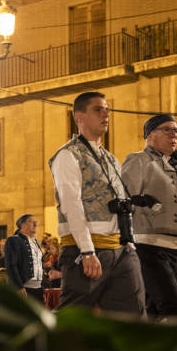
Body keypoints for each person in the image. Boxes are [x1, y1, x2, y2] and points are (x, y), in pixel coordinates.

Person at [48, 91, 145, 314]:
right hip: (87, 250)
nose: (106, 114)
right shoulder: (67, 155)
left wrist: (129, 244)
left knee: (133, 317)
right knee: (73, 320)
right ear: (78, 116)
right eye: (98, 109)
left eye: (107, 110)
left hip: (122, 249)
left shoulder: (110, 158)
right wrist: (87, 251)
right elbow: (71, 204)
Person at [121, 114, 177, 320]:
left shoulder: (175, 169)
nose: (174, 135)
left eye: (176, 131)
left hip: (174, 248)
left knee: (154, 309)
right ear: (150, 135)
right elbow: (123, 199)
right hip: (147, 246)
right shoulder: (139, 160)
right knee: (174, 308)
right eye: (167, 130)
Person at [4, 214, 44, 302]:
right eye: (31, 221)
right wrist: (18, 287)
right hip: (24, 289)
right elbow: (11, 265)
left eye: (36, 222)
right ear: (23, 225)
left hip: (38, 289)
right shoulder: (13, 240)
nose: (35, 224)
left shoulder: (36, 242)